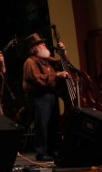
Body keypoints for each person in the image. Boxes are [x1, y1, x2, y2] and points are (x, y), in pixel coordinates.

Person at [22, 32, 69, 162]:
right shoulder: (30, 62)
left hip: (51, 95)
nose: (44, 44)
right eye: (40, 44)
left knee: (53, 124)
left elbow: (63, 64)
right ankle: (41, 152)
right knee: (42, 125)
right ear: (34, 48)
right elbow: (37, 79)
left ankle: (52, 150)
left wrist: (63, 52)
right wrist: (57, 76)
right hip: (39, 97)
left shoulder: (47, 61)